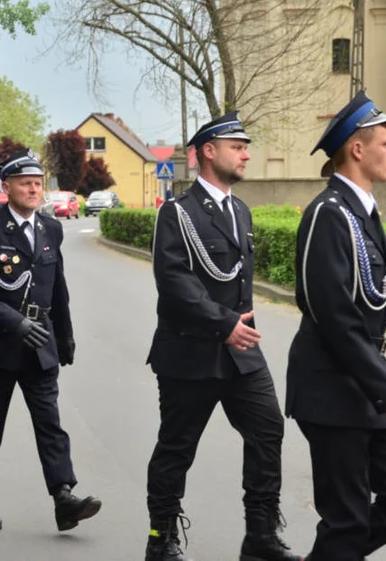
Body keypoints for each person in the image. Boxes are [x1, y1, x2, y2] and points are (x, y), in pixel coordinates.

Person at [145, 113, 298, 561]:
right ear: (208, 151)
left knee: (268, 431)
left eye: (246, 146)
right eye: (238, 145)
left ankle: (261, 535)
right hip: (190, 351)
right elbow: (173, 282)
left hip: (241, 352)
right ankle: (161, 539)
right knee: (177, 447)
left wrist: (237, 329)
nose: (246, 153)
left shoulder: (241, 210)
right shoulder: (178, 212)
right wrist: (223, 324)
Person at [286, 93, 386, 561]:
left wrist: (381, 392)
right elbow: (336, 319)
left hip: (361, 384)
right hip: (331, 389)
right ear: (356, 148)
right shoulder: (329, 215)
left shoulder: (360, 212)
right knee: (346, 518)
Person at [0, 153, 101, 533]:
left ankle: (63, 497)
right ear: (5, 189)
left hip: (40, 343)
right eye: (26, 183)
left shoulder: (49, 229)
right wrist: (16, 323)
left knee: (50, 424)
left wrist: (65, 337)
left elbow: (58, 288)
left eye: (39, 182)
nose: (35, 188)